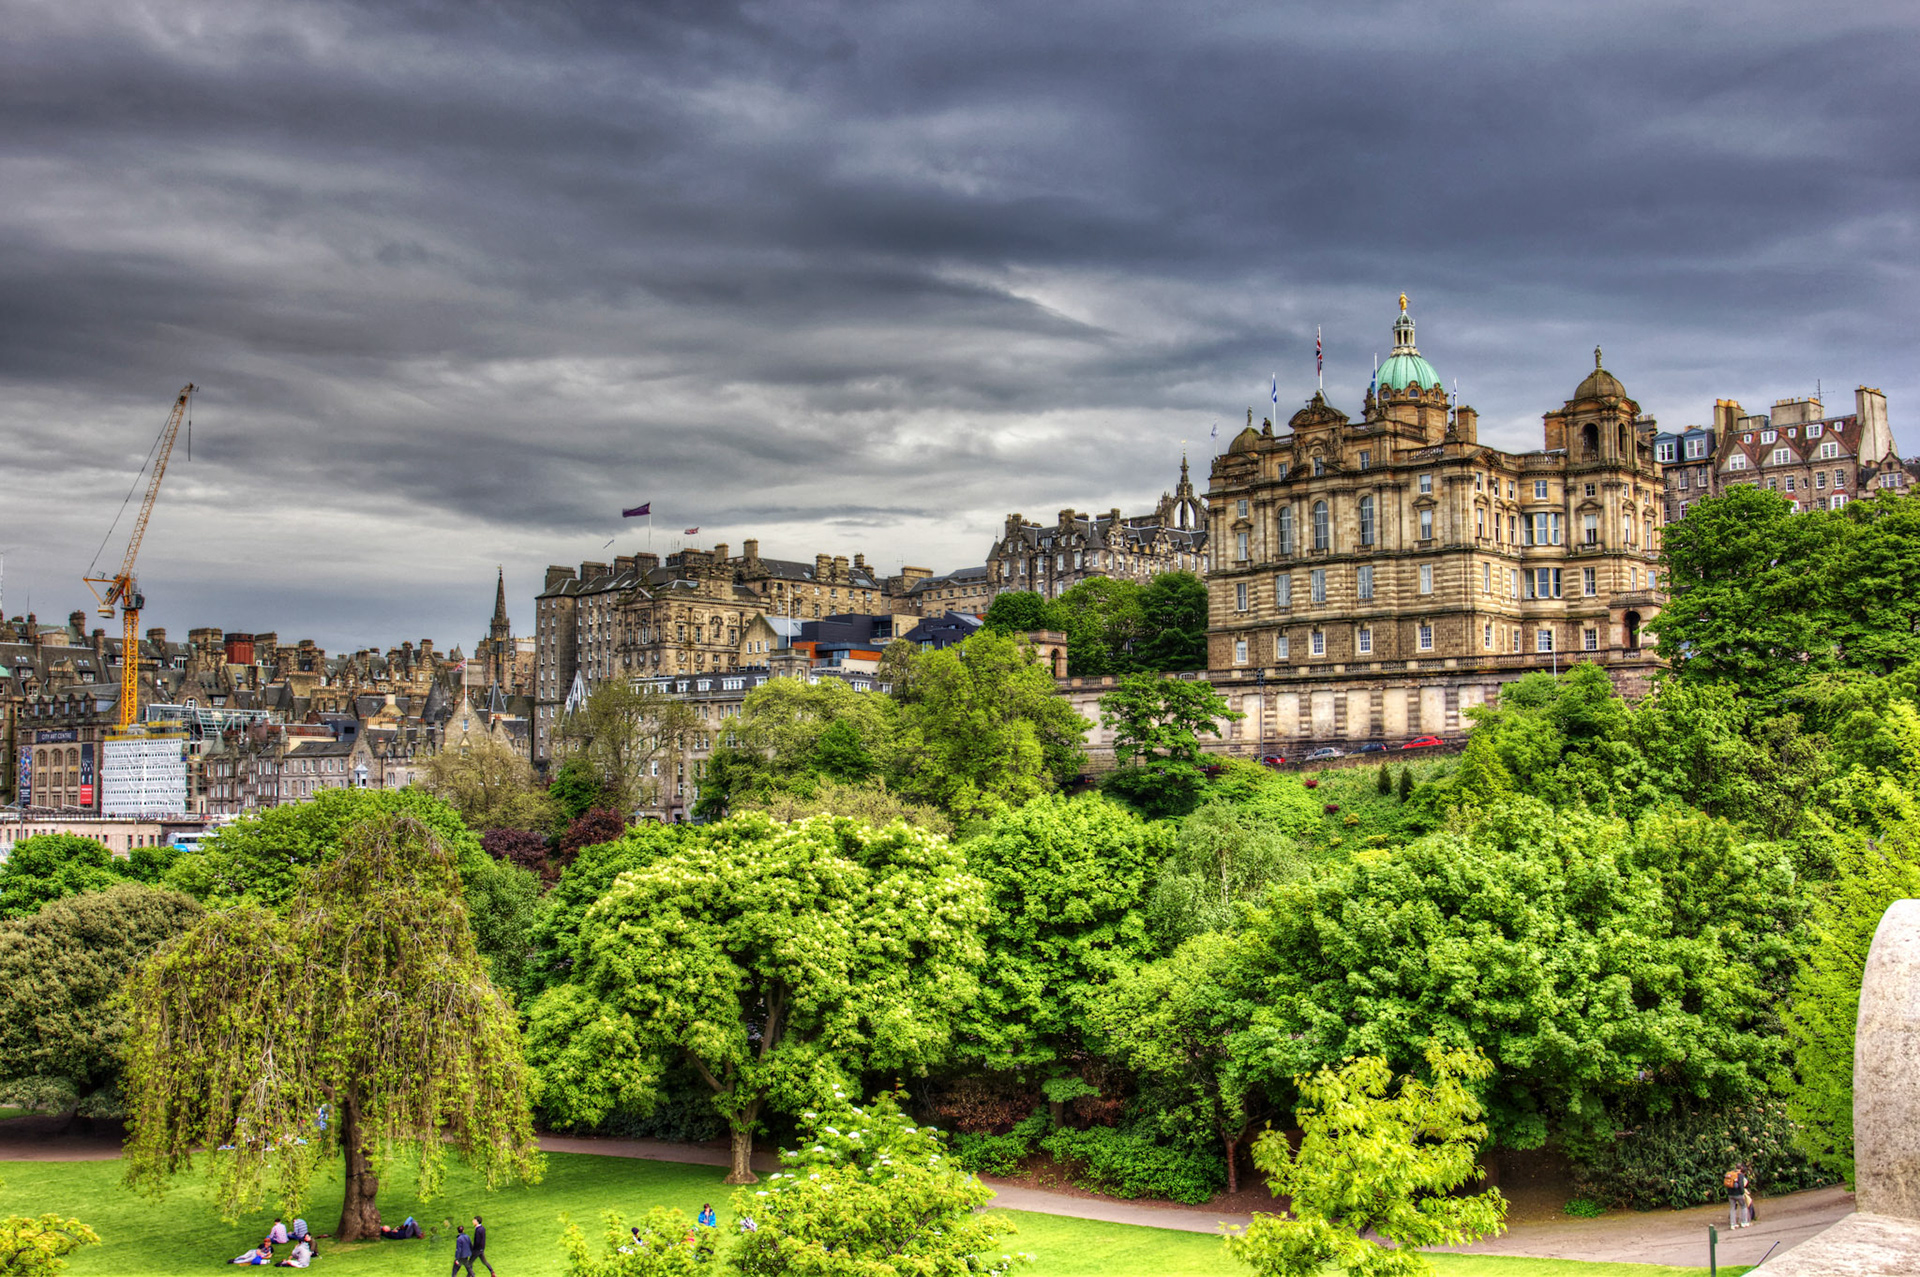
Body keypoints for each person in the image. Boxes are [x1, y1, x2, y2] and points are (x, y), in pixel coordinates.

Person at [1726, 1164, 1749, 1229]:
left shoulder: (1730, 1174)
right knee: (1743, 1207)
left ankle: (1733, 1224)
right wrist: (1742, 1193)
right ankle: (1744, 1222)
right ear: (1741, 1168)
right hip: (1739, 1194)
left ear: (1735, 1167)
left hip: (1730, 1194)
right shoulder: (1740, 1175)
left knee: (1732, 1208)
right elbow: (1741, 1185)